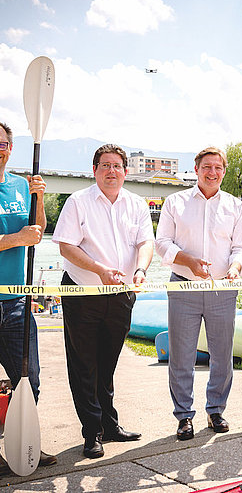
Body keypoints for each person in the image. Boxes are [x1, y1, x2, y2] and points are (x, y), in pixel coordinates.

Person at [52, 144, 154, 459]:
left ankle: (109, 426)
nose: (111, 171)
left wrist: (140, 269)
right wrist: (98, 269)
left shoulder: (136, 204)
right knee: (84, 365)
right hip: (83, 293)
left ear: (125, 171)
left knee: (107, 363)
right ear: (95, 170)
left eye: (117, 166)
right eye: (105, 165)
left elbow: (145, 242)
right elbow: (66, 247)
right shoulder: (77, 202)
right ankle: (92, 433)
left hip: (121, 294)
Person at [156, 146, 242, 441]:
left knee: (222, 354)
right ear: (196, 170)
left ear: (223, 171)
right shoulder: (175, 202)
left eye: (218, 168)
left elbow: (241, 248)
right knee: (181, 355)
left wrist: (236, 267)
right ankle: (184, 416)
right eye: (207, 167)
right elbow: (162, 243)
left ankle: (216, 410)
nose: (212, 173)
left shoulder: (235, 206)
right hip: (184, 286)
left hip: (223, 289)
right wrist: (189, 262)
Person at [0, 122, 56, 471]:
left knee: (27, 377)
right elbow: (22, 237)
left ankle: (22, 440)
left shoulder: (20, 184)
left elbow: (38, 231)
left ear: (10, 147)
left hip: (16, 301)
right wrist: (13, 240)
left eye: (3, 142)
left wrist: (38, 198)